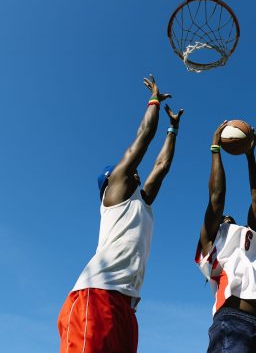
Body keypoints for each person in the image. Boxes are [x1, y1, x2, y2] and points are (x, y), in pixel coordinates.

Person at [57, 75, 184, 353]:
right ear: (110, 181)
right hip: (96, 295)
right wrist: (153, 101)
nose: (134, 170)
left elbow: (161, 166)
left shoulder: (141, 201)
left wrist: (172, 130)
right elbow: (143, 137)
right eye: (125, 169)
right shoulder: (114, 193)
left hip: (126, 306)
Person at [196, 122, 256, 353]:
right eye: (222, 216)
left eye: (228, 216)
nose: (226, 216)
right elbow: (216, 197)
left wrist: (250, 156)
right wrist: (215, 149)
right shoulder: (211, 241)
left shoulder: (250, 235)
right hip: (232, 322)